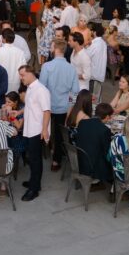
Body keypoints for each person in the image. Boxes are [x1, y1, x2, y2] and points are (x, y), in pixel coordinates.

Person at [40, 38, 75, 170]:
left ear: (56, 49)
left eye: (51, 47)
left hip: (48, 105)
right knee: (60, 134)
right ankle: (56, 160)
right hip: (64, 106)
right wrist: (70, 109)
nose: (49, 49)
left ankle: (46, 150)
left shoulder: (46, 66)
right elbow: (74, 93)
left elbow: (42, 88)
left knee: (45, 129)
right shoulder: (71, 68)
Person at [18, 65, 51, 201]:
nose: (21, 78)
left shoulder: (41, 90)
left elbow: (46, 111)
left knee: (35, 160)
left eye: (22, 75)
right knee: (31, 158)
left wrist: (44, 130)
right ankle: (33, 181)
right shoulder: (30, 88)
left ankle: (35, 189)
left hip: (37, 130)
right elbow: (30, 106)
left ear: (31, 73)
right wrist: (18, 112)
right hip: (29, 129)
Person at [75, 102, 115, 184]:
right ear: (107, 116)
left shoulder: (82, 123)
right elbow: (106, 151)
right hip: (92, 168)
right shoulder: (104, 130)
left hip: (79, 161)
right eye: (110, 117)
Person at [0, 29, 27, 95]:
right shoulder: (20, 52)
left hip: (1, 84)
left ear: (3, 39)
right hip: (16, 83)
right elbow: (24, 69)